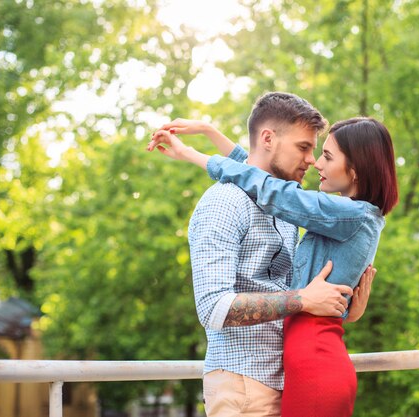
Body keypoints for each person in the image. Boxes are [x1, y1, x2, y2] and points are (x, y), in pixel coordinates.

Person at [148, 113, 398, 417]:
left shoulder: (351, 215)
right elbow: (258, 174)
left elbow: (269, 189)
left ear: (356, 170)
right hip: (303, 360)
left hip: (314, 359)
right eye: (308, 150)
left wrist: (191, 154)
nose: (316, 163)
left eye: (326, 156)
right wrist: (209, 131)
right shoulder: (353, 216)